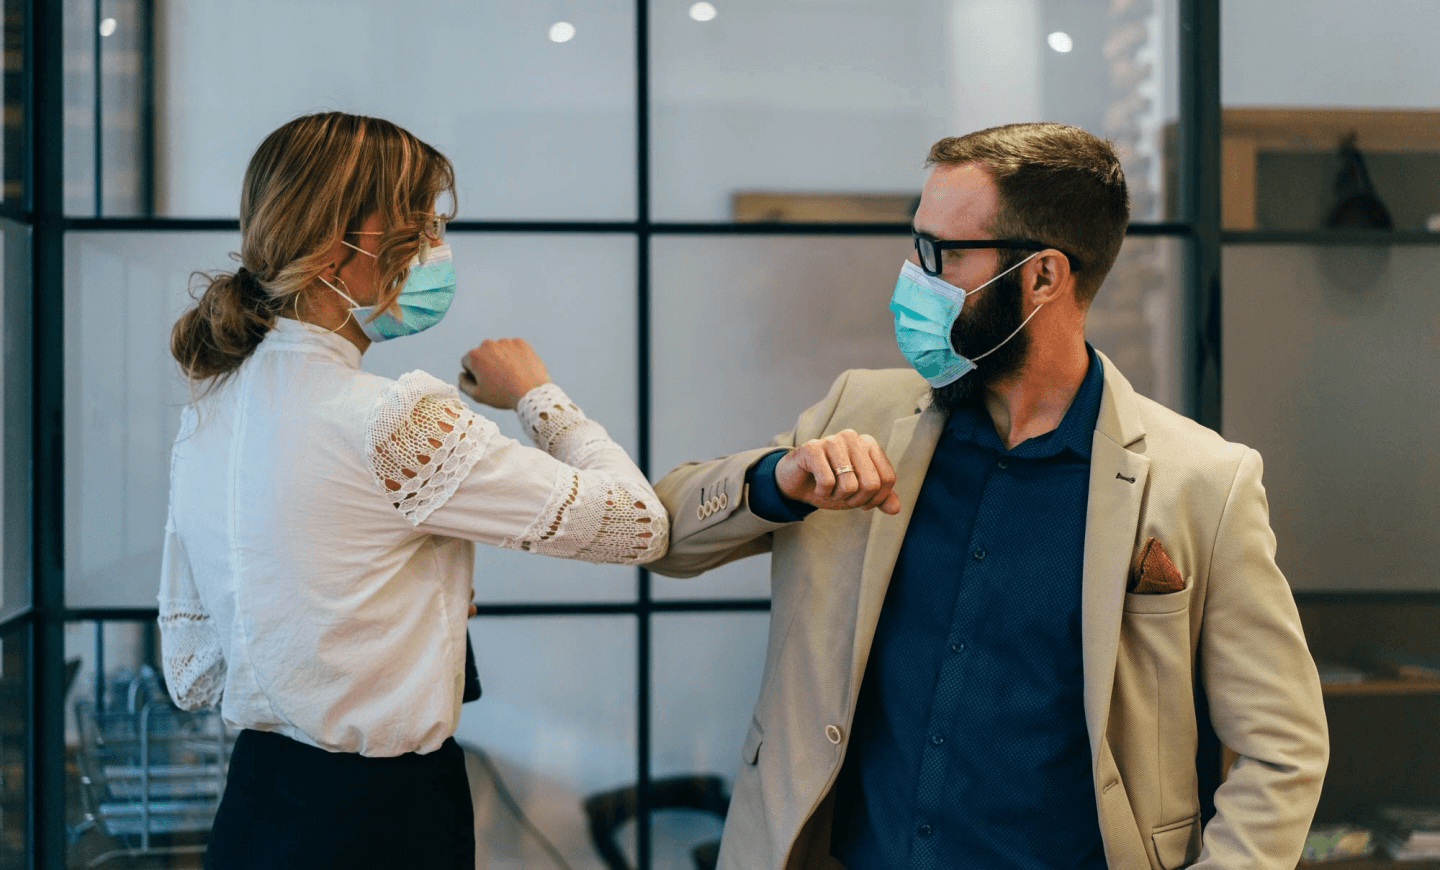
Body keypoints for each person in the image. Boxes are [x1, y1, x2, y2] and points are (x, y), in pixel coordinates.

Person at [648, 123, 1328, 870]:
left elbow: (1282, 746)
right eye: (917, 245)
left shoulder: (1202, 480)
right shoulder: (856, 412)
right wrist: (778, 479)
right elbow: (661, 532)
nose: (915, 276)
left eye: (946, 254)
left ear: (1043, 277)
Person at [159, 111, 667, 869]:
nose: (437, 251)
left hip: (255, 809)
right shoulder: (393, 421)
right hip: (379, 823)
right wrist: (537, 394)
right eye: (422, 228)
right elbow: (639, 524)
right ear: (342, 247)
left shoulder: (210, 411)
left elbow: (194, 671)